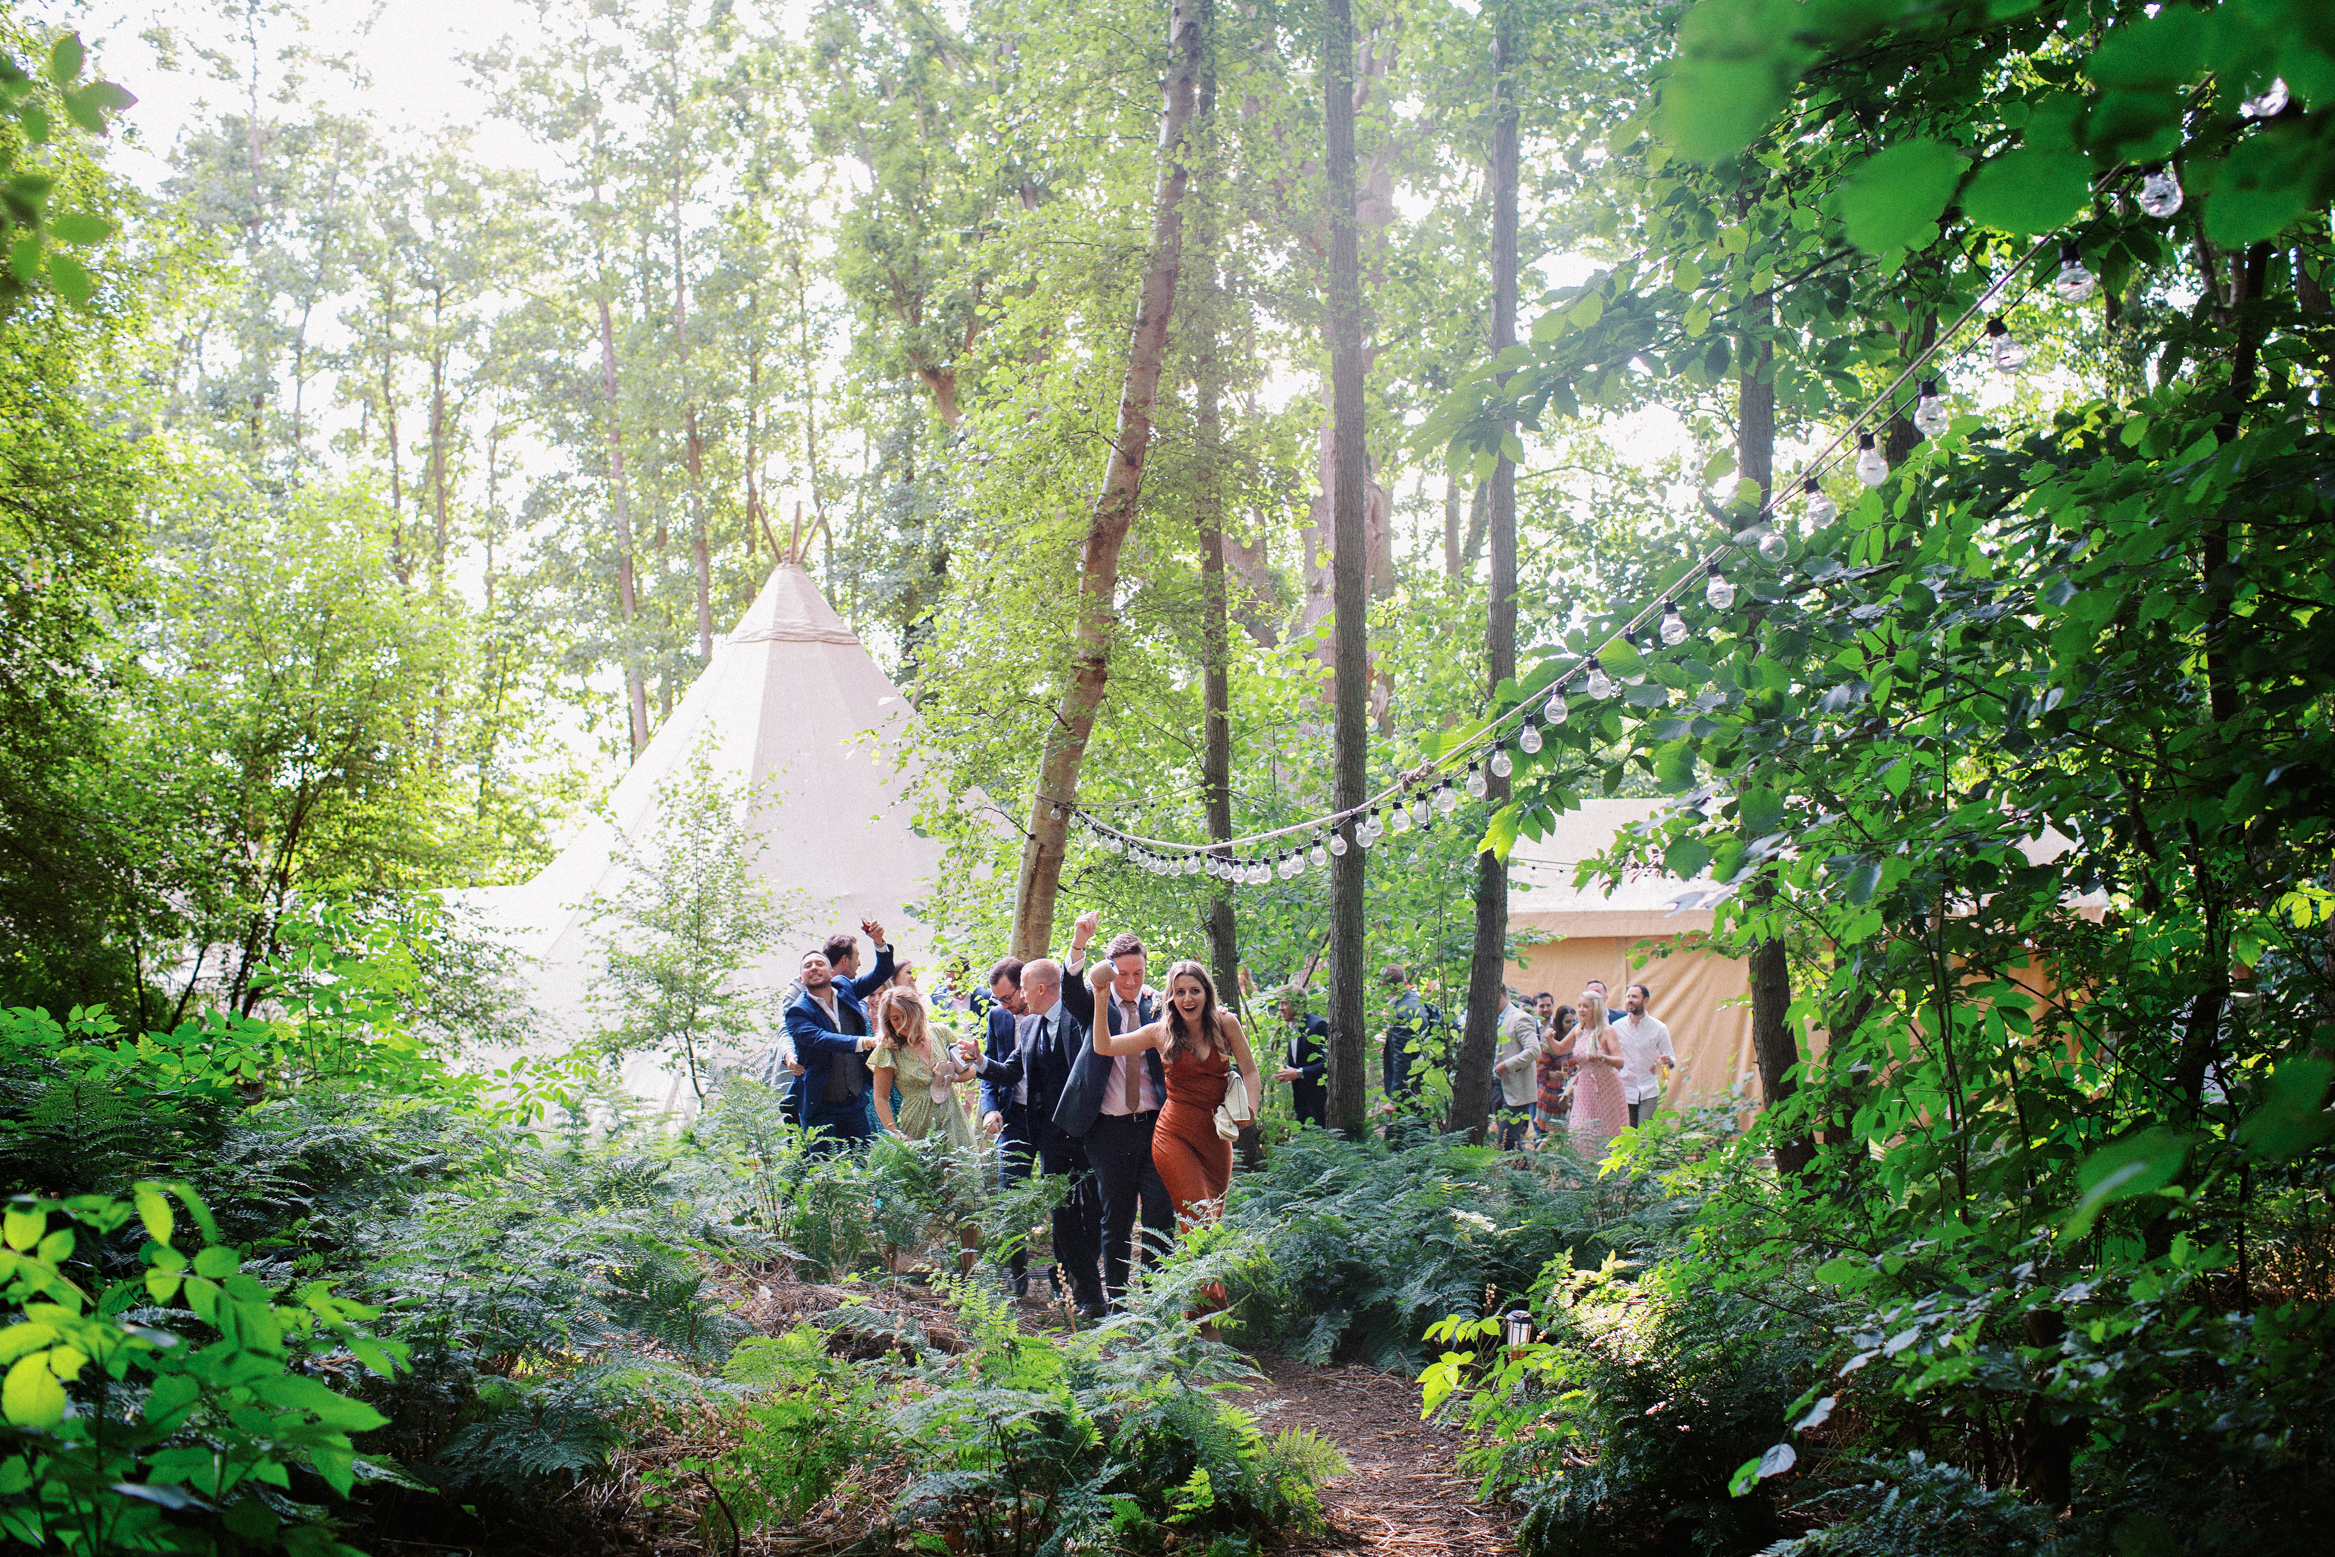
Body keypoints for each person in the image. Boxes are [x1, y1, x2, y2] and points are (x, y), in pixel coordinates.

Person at [974, 958, 1108, 1318]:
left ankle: (1083, 1281)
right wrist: (979, 1062)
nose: (1019, 997)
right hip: (1048, 1136)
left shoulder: (1077, 1020)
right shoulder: (1030, 1025)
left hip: (1086, 1132)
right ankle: (1090, 1296)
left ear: (1040, 989)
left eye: (1022, 989)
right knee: (1061, 1214)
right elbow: (1011, 1070)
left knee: (1093, 1212)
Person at [1087, 958, 1260, 1230]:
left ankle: (1199, 1273)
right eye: (1179, 992)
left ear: (1207, 993)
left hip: (1215, 1138)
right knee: (1198, 1222)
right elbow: (1104, 1045)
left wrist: (1251, 1107)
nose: (1187, 998)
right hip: (1174, 1137)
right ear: (1171, 997)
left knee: (1211, 1221)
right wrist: (1100, 995)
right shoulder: (1160, 1032)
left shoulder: (1226, 1023)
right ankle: (1201, 1274)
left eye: (1194, 990)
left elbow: (1250, 1072)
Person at [1060, 916, 1174, 1310]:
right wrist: (1079, 943)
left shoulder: (1160, 1005)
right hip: (1108, 1131)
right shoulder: (1096, 1002)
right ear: (1110, 971)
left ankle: (1159, 1301)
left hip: (1157, 1126)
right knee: (1117, 1220)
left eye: (1138, 972)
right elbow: (1071, 990)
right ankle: (1121, 1305)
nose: (1130, 981)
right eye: (1122, 973)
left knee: (1160, 1214)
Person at [783, 947, 888, 1151]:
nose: (814, 968)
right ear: (801, 978)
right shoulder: (797, 1012)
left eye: (819, 964)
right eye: (808, 966)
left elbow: (882, 973)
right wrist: (865, 1042)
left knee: (864, 1163)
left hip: (854, 1102)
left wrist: (878, 943)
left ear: (832, 973)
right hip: (819, 1106)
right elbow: (823, 1039)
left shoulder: (845, 988)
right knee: (824, 1171)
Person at [976, 957, 1036, 1296]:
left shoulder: (1049, 1013)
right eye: (998, 999)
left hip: (1051, 1118)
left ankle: (1065, 1279)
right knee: (1010, 1197)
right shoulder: (998, 1017)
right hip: (1013, 1117)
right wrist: (989, 1109)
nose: (1004, 1004)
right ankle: (1017, 1277)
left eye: (1009, 997)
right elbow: (989, 1073)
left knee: (1061, 1197)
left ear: (1025, 988)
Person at [869, 989, 980, 1151]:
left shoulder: (941, 1033)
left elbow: (972, 1069)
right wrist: (895, 1133)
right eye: (895, 1018)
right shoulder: (888, 1049)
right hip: (917, 1126)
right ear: (888, 1021)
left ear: (918, 1010)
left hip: (953, 1119)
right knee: (924, 1175)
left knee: (964, 1172)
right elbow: (880, 1097)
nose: (903, 1022)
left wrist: (952, 1076)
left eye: (907, 1014)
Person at [1568, 989, 1629, 1159]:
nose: (1581, 1010)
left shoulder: (1607, 1030)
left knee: (1608, 1131)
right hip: (1585, 1087)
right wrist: (1549, 1038)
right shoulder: (1578, 1030)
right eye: (1579, 1006)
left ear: (1596, 1009)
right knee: (1579, 1130)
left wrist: (1602, 1057)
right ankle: (1583, 1175)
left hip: (1607, 1085)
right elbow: (1559, 1048)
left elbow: (1620, 1062)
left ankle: (1614, 1177)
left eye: (1586, 1006)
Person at [1612, 982, 1676, 1127]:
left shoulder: (1659, 1028)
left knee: (1644, 1135)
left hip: (1648, 1090)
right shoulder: (1616, 1027)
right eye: (1628, 996)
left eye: (1634, 996)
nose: (1630, 1000)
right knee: (1627, 1135)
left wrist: (1667, 1061)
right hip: (1624, 1089)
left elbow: (1670, 1057)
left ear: (1645, 1001)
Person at [1380, 964, 1434, 1135]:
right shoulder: (1421, 1003)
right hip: (1425, 1088)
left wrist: (1395, 1100)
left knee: (1399, 1143)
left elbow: (1402, 1060)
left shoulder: (1400, 1012)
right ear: (1404, 982)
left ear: (1383, 985)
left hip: (1407, 1095)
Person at [1272, 987, 1329, 1129]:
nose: (1280, 1008)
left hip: (1319, 1102)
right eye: (1280, 1003)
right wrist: (1284, 1071)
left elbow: (1329, 1064)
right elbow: (1298, 1061)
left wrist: (1298, 1073)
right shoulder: (1290, 1028)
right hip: (1301, 1103)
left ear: (1299, 1004)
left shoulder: (1317, 1025)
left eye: (1284, 1003)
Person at [1490, 989, 1539, 1150]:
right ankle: (1518, 1173)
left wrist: (1507, 1065)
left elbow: (1533, 1050)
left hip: (1517, 1088)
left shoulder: (1520, 1018)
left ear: (1500, 994)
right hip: (1497, 1087)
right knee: (1507, 1140)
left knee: (1507, 1139)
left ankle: (1524, 1173)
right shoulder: (1491, 1019)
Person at [1535, 1001, 1576, 1146]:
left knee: (1565, 1134)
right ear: (1559, 1022)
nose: (1571, 1025)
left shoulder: (1577, 1039)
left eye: (1573, 1021)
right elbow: (1540, 1068)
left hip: (1569, 1093)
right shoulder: (1551, 1041)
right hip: (1552, 1095)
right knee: (1550, 1134)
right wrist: (1552, 1074)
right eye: (1567, 1022)